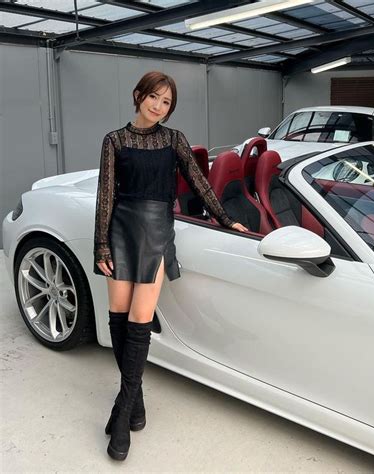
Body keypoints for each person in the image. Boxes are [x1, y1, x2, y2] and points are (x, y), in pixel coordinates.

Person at [93, 71, 248, 461]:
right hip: (121, 232)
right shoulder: (115, 140)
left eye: (166, 102)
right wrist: (101, 244)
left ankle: (123, 410)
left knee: (139, 323)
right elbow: (106, 194)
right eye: (154, 98)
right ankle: (137, 404)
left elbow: (199, 182)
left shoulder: (173, 139)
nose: (159, 107)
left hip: (157, 232)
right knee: (118, 321)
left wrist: (226, 219)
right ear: (138, 95)